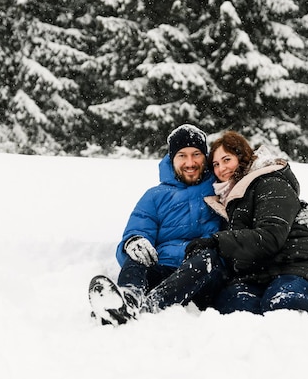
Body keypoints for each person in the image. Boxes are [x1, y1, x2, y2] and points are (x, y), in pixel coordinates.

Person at [186, 130, 308, 314]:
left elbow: (270, 236)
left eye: (227, 159)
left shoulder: (270, 181)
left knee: (282, 304)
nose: (221, 168)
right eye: (215, 164)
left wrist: (217, 241)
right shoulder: (226, 200)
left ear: (242, 157)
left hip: (300, 266)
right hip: (256, 276)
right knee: (233, 308)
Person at [88, 124, 225, 325]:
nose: (190, 162)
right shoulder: (154, 197)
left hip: (203, 277)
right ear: (171, 159)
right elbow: (137, 230)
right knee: (137, 252)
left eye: (196, 154)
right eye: (182, 156)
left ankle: (148, 308)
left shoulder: (221, 189)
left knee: (206, 257)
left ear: (205, 157)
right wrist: (133, 242)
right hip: (163, 271)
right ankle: (128, 298)